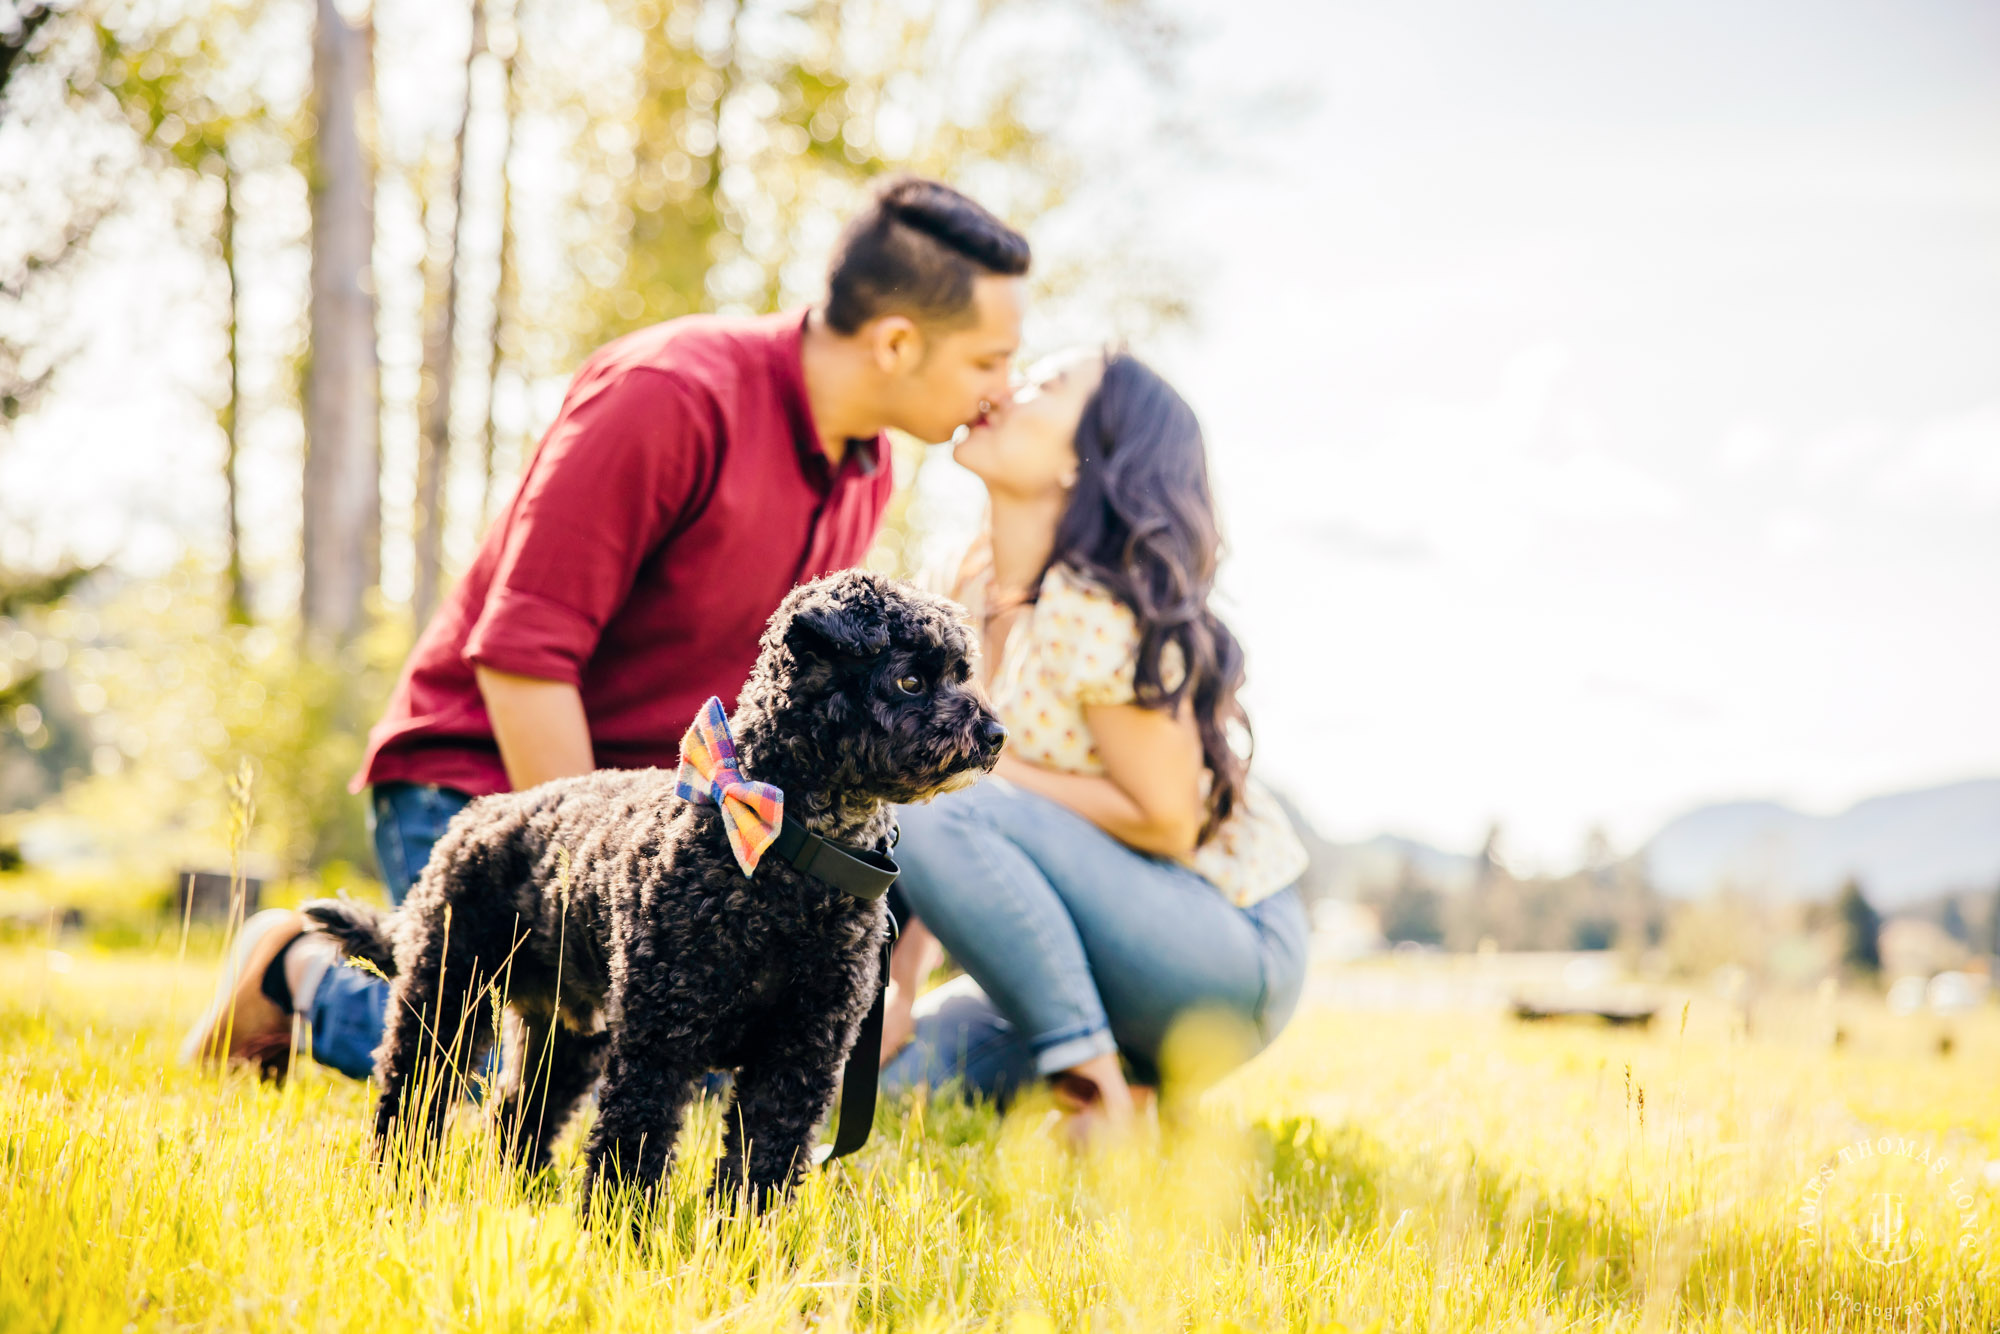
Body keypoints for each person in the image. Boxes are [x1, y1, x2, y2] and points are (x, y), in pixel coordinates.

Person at [182, 176, 1032, 1079]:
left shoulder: (865, 470)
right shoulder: (670, 394)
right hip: (487, 790)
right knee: (526, 1068)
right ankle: (293, 970)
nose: (1002, 389)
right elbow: (520, 658)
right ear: (899, 342)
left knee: (719, 1055)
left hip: (672, 822)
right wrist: (603, 898)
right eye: (990, 360)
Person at [876, 349, 1311, 1136]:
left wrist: (984, 764)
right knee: (876, 1080)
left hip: (1225, 951)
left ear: (1086, 461)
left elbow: (1167, 820)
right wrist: (897, 987)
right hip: (1083, 961)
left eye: (1044, 386)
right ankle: (1132, 1079)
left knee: (943, 794)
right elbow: (942, 843)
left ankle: (1095, 1090)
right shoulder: (962, 586)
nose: (1006, 390)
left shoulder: (1093, 603)